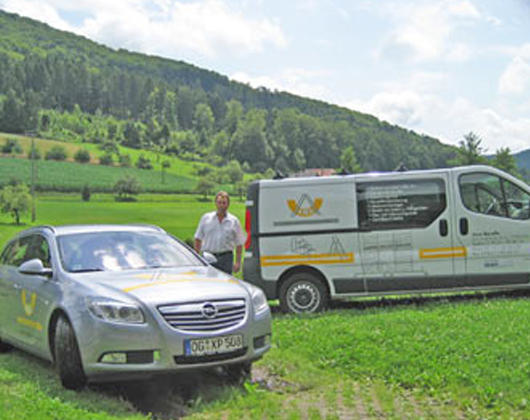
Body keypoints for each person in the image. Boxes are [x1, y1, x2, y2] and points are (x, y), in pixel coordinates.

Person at [194, 191, 246, 274]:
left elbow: (239, 243)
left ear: (228, 204)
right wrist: (196, 259)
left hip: (226, 258)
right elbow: (198, 239)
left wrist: (238, 262)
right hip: (208, 257)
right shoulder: (206, 219)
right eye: (219, 202)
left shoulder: (234, 221)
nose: (221, 205)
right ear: (215, 203)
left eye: (224, 203)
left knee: (226, 284)